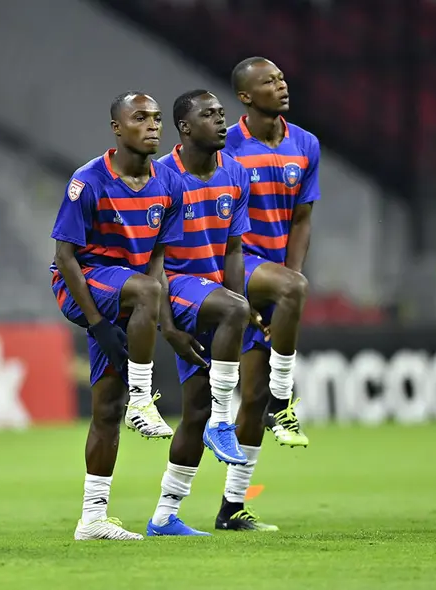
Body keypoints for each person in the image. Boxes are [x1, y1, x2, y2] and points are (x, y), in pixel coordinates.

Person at [51, 91, 184, 541]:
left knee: (107, 406)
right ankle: (144, 399)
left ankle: (91, 519)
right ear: (117, 127)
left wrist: (139, 315)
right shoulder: (88, 181)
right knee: (145, 290)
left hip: (128, 292)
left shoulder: (168, 183)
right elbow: (65, 256)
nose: (152, 125)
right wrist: (97, 323)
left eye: (157, 118)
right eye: (140, 117)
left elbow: (157, 259)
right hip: (81, 283)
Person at [145, 89, 255, 537]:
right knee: (213, 414)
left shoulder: (235, 173)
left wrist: (234, 303)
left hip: (213, 298)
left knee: (194, 411)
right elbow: (149, 257)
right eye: (209, 115)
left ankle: (164, 516)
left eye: (223, 114)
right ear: (185, 128)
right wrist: (166, 326)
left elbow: (233, 249)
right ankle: (225, 422)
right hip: (175, 288)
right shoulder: (163, 176)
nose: (222, 121)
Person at [217, 56, 318, 530]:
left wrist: (287, 285)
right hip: (234, 267)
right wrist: (246, 290)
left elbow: (302, 219)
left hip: (275, 274)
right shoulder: (226, 147)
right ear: (245, 96)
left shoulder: (306, 145)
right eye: (268, 82)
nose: (281, 86)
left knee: (250, 397)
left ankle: (231, 508)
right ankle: (286, 399)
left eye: (282, 77)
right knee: (242, 399)